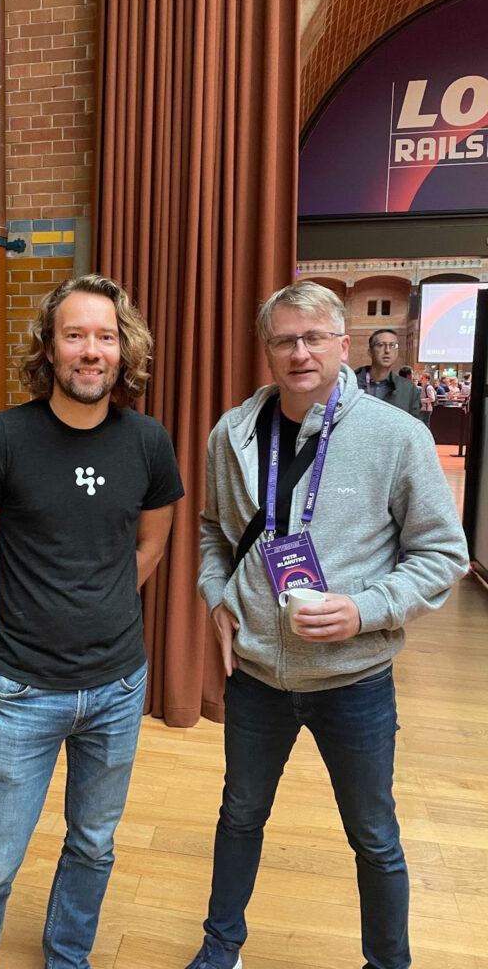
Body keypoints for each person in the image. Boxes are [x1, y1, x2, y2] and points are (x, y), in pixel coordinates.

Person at [186, 282, 468, 969]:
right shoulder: (235, 434)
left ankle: (387, 963)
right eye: (284, 339)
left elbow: (444, 554)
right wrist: (215, 593)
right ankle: (222, 948)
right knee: (240, 816)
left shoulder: (395, 435)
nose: (299, 351)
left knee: (373, 835)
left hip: (355, 682)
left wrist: (365, 608)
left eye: (314, 337)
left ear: (344, 346)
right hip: (257, 677)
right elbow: (212, 532)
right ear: (268, 351)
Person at [0, 274, 184, 969]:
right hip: (24, 690)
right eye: (74, 335)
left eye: (104, 337)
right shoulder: (0, 440)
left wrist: (99, 604)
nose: (90, 350)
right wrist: (32, 611)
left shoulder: (148, 442)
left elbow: (151, 546)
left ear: (123, 349)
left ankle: (67, 957)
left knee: (93, 844)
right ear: (49, 348)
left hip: (117, 686)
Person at [354, 329, 420, 417]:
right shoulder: (351, 384)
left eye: (393, 345)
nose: (387, 350)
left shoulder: (408, 389)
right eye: (381, 345)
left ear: (397, 352)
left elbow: (415, 426)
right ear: (370, 352)